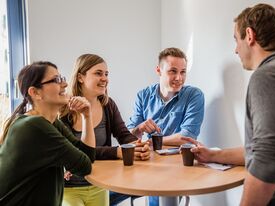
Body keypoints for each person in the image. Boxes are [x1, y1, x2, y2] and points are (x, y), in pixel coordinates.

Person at [184, 3, 275, 206]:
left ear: (249, 35)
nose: (235, 49)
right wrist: (214, 155)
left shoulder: (268, 77)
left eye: (236, 39)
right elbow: (264, 148)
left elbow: (268, 159)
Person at [0, 61, 96, 206]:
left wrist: (86, 116)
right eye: (57, 80)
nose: (65, 84)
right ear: (35, 92)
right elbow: (84, 166)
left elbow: (88, 156)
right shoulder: (35, 127)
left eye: (62, 78)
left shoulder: (49, 122)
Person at [60, 54, 151, 206]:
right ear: (81, 77)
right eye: (98, 73)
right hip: (69, 188)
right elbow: (76, 152)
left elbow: (123, 135)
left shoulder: (108, 105)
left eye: (106, 74)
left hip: (99, 184)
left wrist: (139, 146)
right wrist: (116, 152)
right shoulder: (63, 110)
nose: (105, 79)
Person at [127, 47, 205, 205]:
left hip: (177, 166)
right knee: (108, 195)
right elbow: (129, 138)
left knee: (159, 197)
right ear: (158, 70)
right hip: (145, 162)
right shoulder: (143, 96)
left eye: (183, 72)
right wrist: (139, 128)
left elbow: (187, 137)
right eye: (173, 71)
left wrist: (151, 142)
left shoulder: (194, 96)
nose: (179, 78)